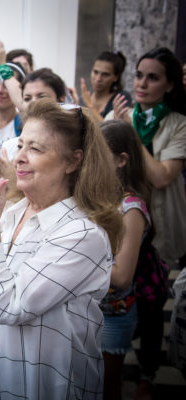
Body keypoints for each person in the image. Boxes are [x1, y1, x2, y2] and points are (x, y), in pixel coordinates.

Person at [0, 99, 123, 398]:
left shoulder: (82, 235)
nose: (18, 159)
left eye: (36, 149)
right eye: (21, 145)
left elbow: (5, 307)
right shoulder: (10, 212)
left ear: (73, 161)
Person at [106, 46, 186, 399]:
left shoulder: (177, 124)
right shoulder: (124, 113)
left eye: (153, 78)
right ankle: (114, 357)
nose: (142, 83)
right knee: (122, 296)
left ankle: (148, 374)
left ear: (169, 85)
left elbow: (161, 176)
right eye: (139, 75)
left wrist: (129, 132)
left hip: (158, 226)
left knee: (152, 302)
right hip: (120, 220)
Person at [99, 120, 152, 400]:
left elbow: (121, 277)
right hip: (90, 309)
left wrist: (78, 258)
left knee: (107, 387)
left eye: (99, 153)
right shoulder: (101, 197)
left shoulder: (131, 208)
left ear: (121, 160)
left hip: (113, 315)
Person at [80, 51, 132, 122]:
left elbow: (109, 131)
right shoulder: (84, 98)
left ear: (116, 77)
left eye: (105, 74)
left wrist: (90, 105)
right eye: (95, 72)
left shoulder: (120, 98)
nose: (98, 79)